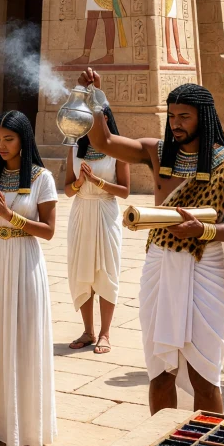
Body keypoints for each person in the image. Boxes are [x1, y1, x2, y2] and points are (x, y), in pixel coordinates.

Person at [79, 69, 224, 414]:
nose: (176, 123)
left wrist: (203, 231)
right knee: (160, 370)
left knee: (203, 373)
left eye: (184, 117)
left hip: (207, 270)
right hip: (160, 267)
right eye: (172, 116)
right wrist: (95, 99)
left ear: (202, 119)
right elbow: (103, 143)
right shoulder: (158, 152)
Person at [0, 110, 57, 446]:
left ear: (24, 140)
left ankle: (24, 428)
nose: (2, 146)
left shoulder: (41, 178)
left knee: (22, 337)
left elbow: (48, 231)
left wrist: (12, 217)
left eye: (10, 139)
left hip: (24, 261)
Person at [64, 105, 129, 355]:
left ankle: (105, 333)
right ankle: (88, 331)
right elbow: (68, 190)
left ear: (106, 121)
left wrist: (98, 182)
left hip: (106, 212)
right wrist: (80, 182)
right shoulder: (74, 150)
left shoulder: (118, 151)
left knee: (106, 271)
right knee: (82, 271)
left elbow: (124, 191)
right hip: (81, 212)